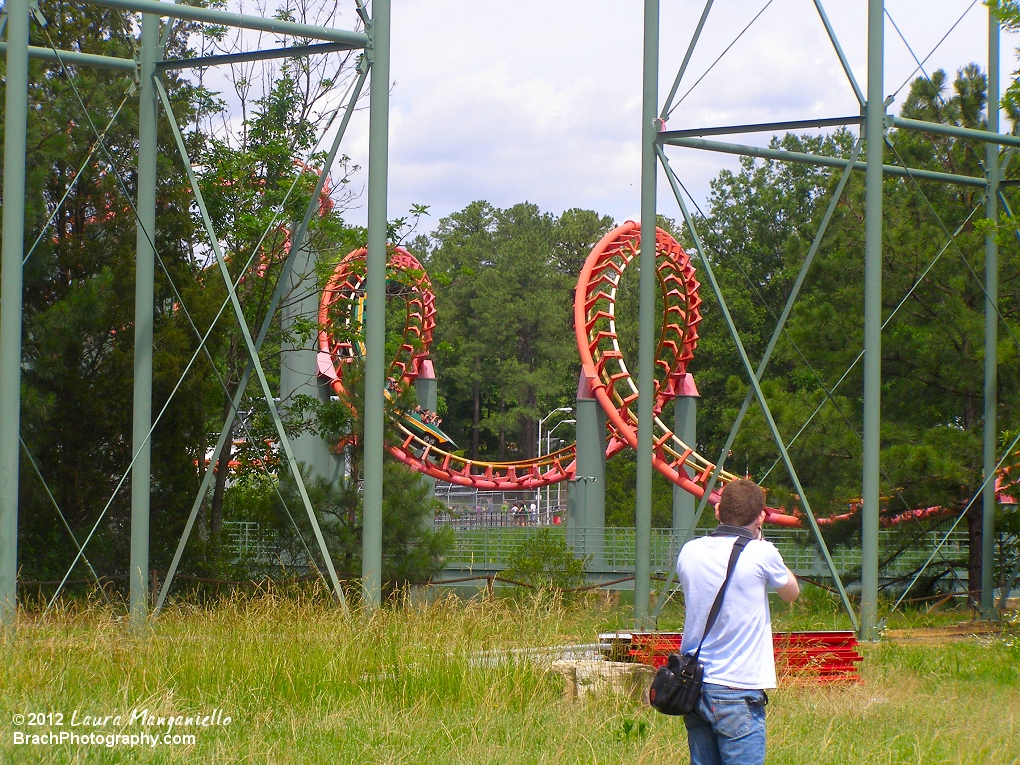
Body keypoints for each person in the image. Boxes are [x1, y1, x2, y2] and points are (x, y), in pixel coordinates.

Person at [676, 478, 800, 765]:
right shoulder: (762, 552)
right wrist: (761, 540)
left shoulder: (689, 551)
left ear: (717, 510)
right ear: (760, 517)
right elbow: (790, 593)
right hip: (737, 687)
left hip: (695, 685)